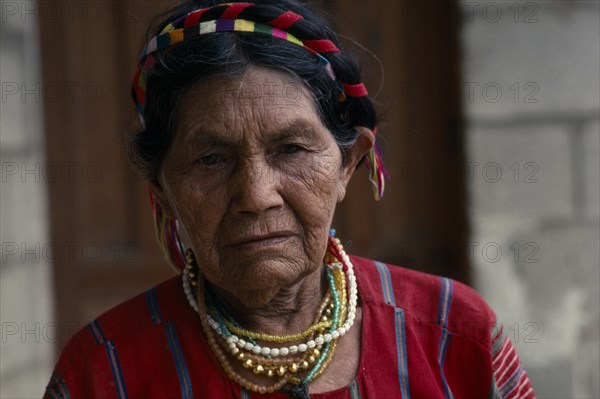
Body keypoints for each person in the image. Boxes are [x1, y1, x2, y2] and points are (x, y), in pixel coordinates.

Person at [44, 1, 536, 398]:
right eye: (211, 159)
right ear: (164, 192)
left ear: (349, 163)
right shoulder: (102, 371)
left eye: (291, 149)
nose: (255, 197)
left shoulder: (456, 334)